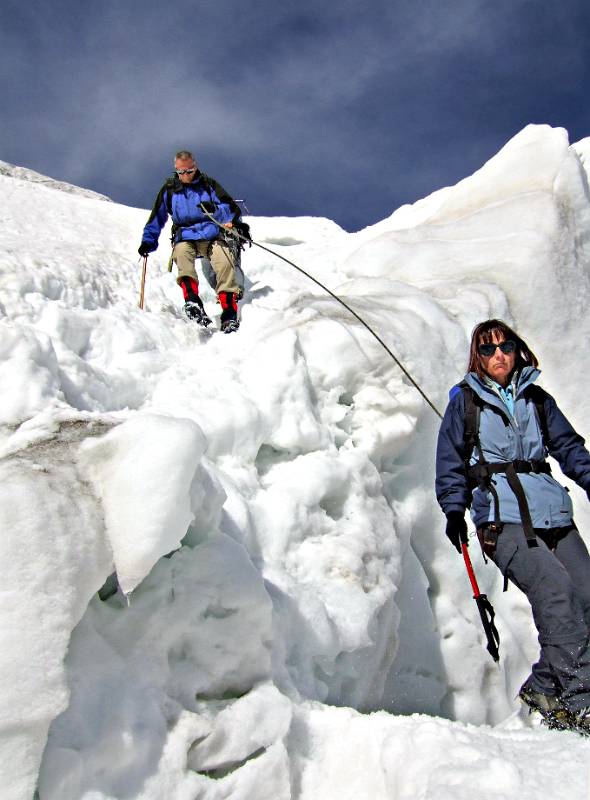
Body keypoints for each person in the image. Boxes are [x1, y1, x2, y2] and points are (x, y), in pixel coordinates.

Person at [435, 318, 590, 733]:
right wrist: (454, 511)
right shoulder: (464, 404)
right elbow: (450, 464)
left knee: (587, 597)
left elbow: (570, 449)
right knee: (558, 596)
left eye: (504, 346)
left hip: (553, 515)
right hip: (501, 522)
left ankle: (544, 686)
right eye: (487, 349)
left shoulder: (537, 400)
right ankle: (581, 702)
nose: (498, 355)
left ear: (517, 349)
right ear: (477, 357)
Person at [138, 150, 249, 333]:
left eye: (188, 171)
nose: (185, 175)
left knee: (224, 261)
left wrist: (214, 210)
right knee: (181, 255)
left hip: (212, 235)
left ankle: (229, 312)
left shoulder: (208, 185)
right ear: (176, 170)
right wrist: (148, 241)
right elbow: (156, 217)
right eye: (181, 172)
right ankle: (192, 300)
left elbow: (230, 208)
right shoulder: (170, 189)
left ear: (194, 166)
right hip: (186, 236)